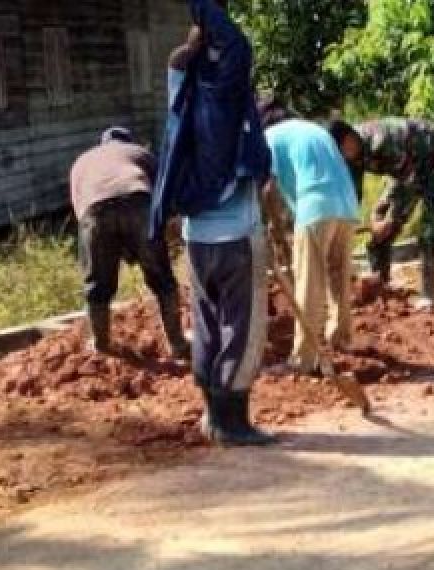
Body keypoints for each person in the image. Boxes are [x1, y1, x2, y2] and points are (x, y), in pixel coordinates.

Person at [151, 0, 275, 446]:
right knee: (242, 330)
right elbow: (234, 42)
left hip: (196, 238)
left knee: (205, 325)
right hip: (236, 236)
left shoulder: (181, 85)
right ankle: (233, 423)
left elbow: (197, 49)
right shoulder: (224, 94)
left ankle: (211, 416)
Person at [69, 127, 190, 358]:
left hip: (94, 211)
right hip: (138, 200)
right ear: (128, 141)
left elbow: (79, 206)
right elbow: (164, 193)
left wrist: (102, 241)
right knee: (162, 279)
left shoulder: (82, 161)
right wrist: (160, 234)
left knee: (97, 284)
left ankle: (101, 345)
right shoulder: (138, 153)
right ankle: (177, 344)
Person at [262, 115, 361, 374]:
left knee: (309, 282)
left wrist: (269, 227)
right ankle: (341, 338)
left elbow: (266, 189)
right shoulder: (310, 130)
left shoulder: (266, 140)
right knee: (338, 275)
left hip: (317, 205)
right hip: (347, 204)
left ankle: (303, 359)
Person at [328, 117, 434, 310]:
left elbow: (410, 183)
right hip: (406, 167)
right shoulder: (348, 156)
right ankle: (380, 287)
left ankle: (428, 295)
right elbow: (352, 195)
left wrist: (391, 219)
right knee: (377, 236)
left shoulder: (381, 142)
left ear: (349, 139)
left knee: (428, 226)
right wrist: (349, 224)